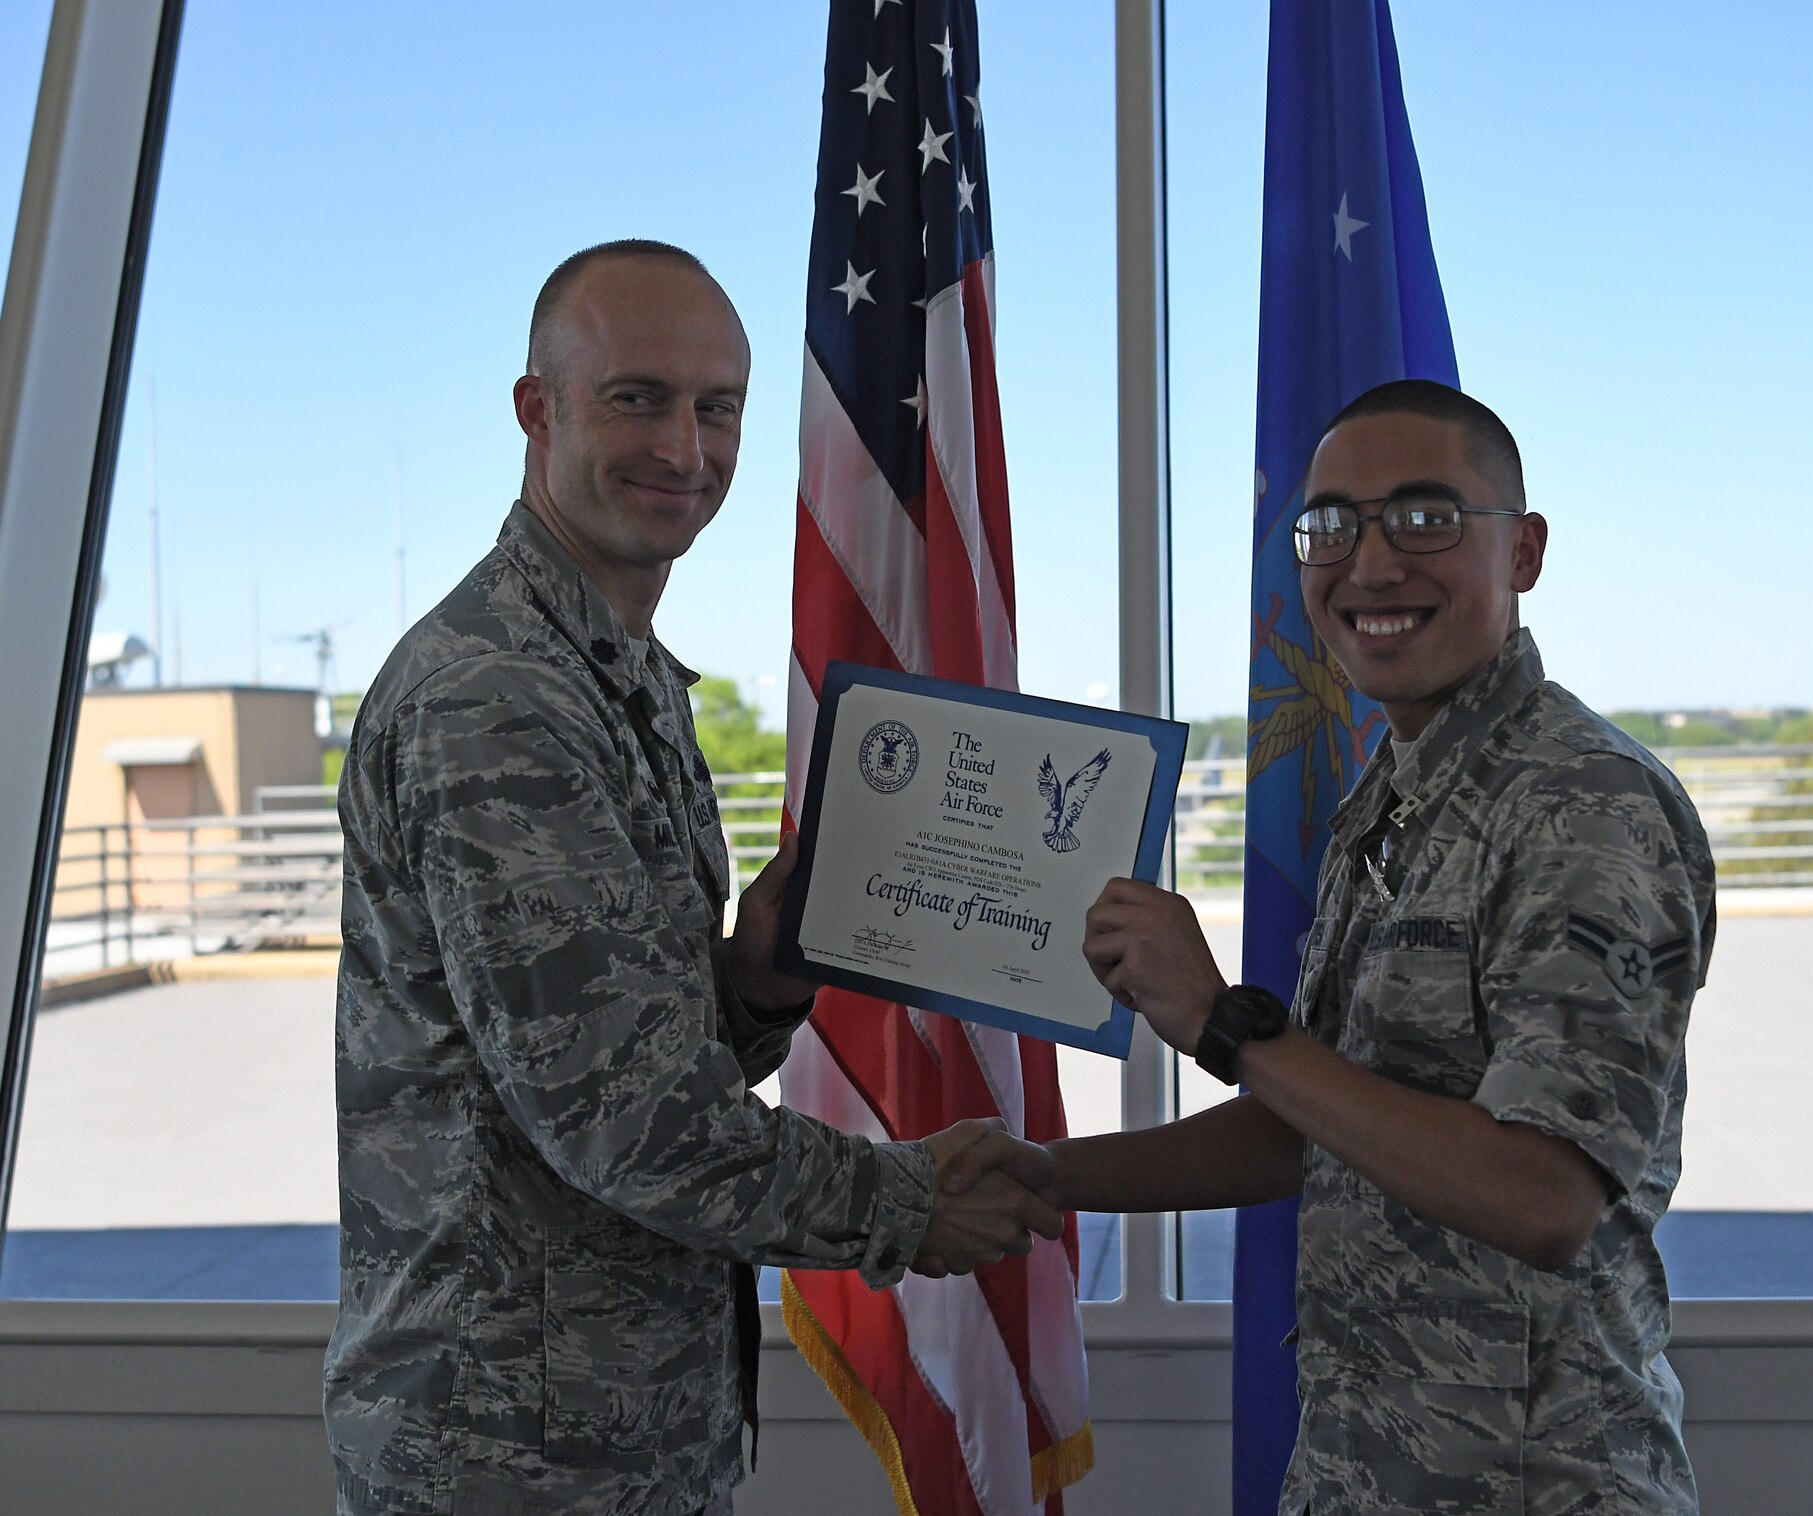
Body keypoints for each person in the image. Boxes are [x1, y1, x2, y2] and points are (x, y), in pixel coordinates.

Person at [325, 239, 1061, 1516]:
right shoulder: (498, 698)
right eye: (636, 398)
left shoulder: (614, 677)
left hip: (618, 1428)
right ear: (535, 409)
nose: (684, 445)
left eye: (716, 407)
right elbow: (627, 1122)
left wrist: (754, 979)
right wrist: (906, 1200)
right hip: (505, 1454)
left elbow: (609, 1056)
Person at [948, 379, 1713, 1513]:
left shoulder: (1581, 803)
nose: (1367, 564)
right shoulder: (1396, 793)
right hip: (1366, 1468)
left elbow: (1542, 1193)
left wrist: (1221, 1022)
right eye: (1330, 524)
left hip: (1526, 1483)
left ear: (1524, 551)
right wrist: (1053, 1176)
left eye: (1424, 517)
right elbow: (1322, 1125)